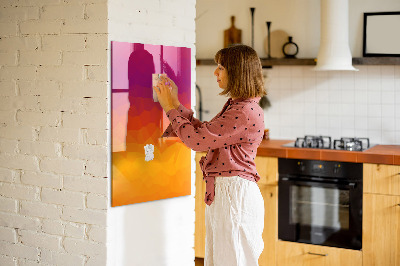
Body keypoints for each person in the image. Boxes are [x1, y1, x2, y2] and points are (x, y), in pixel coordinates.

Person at [153, 44, 267, 266]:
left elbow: (196, 141)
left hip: (234, 196)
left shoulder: (243, 111)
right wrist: (176, 104)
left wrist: (169, 108)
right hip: (228, 193)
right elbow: (204, 133)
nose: (215, 73)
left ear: (236, 72)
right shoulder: (239, 106)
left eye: (221, 67)